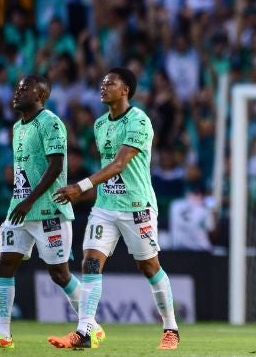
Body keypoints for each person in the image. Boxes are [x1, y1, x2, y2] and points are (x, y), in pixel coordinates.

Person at [47, 68, 179, 350]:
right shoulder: (99, 124)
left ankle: (171, 328)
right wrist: (82, 194)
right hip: (105, 207)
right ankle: (85, 331)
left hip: (137, 207)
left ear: (125, 90)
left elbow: (119, 165)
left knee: (148, 265)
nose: (103, 87)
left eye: (111, 83)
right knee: (90, 262)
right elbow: (108, 172)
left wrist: (80, 187)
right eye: (102, 82)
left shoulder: (139, 120)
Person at [0, 75, 104, 349]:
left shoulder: (52, 123)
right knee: (4, 263)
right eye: (17, 88)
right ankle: (3, 335)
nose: (18, 92)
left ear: (41, 95)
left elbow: (55, 166)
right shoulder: (18, 127)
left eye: (25, 89)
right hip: (19, 210)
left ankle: (92, 326)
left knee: (59, 274)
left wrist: (29, 200)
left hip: (48, 210)